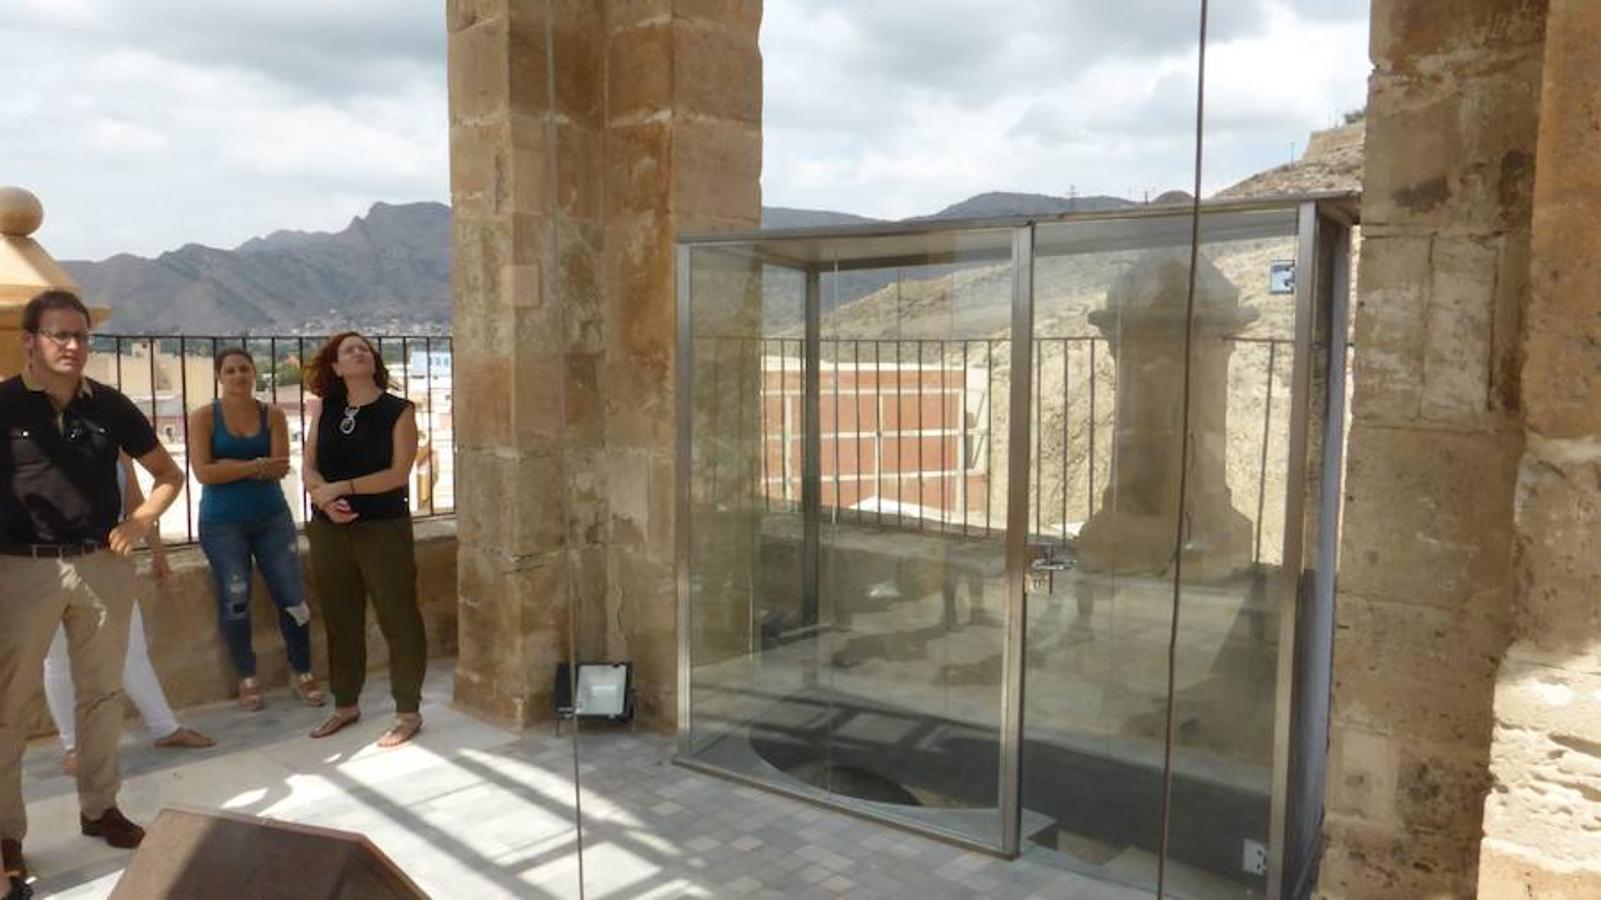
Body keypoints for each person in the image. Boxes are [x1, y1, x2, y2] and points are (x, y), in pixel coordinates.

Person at [0, 290, 185, 888]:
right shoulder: (2, 404)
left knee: (102, 696)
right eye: (60, 335)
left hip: (102, 567)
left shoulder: (109, 405)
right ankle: (6, 836)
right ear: (30, 340)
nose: (74, 346)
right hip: (20, 569)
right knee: (6, 709)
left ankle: (100, 808)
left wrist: (138, 524)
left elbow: (167, 475)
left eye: (81, 335)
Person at [43, 454, 215, 778]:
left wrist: (158, 553)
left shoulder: (109, 431)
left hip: (109, 562)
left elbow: (136, 501)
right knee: (58, 659)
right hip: (48, 568)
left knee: (131, 650)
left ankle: (165, 728)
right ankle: (74, 747)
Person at [300, 332, 425, 747]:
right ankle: (345, 704)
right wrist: (323, 495)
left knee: (399, 616)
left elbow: (397, 474)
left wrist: (343, 489)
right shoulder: (327, 409)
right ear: (335, 367)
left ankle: (408, 710)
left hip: (382, 527)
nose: (358, 352)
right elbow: (309, 465)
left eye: (363, 348)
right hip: (329, 528)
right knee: (340, 617)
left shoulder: (398, 410)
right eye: (347, 350)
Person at [189, 348, 325, 711]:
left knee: (293, 596)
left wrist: (232, 465)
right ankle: (247, 678)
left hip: (272, 520)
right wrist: (256, 465)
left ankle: (303, 671)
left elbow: (281, 466)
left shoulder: (273, 415)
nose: (238, 376)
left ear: (254, 373)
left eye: (244, 369)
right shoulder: (204, 417)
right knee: (235, 601)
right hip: (221, 524)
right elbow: (203, 473)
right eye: (230, 370)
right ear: (220, 376)